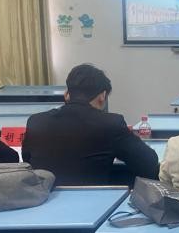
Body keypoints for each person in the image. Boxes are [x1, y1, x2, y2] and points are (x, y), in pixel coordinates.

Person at [22, 64, 158, 185]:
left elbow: (27, 161)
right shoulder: (111, 124)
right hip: (94, 202)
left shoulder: (36, 121)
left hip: (44, 200)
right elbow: (149, 163)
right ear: (102, 96)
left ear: (67, 94)